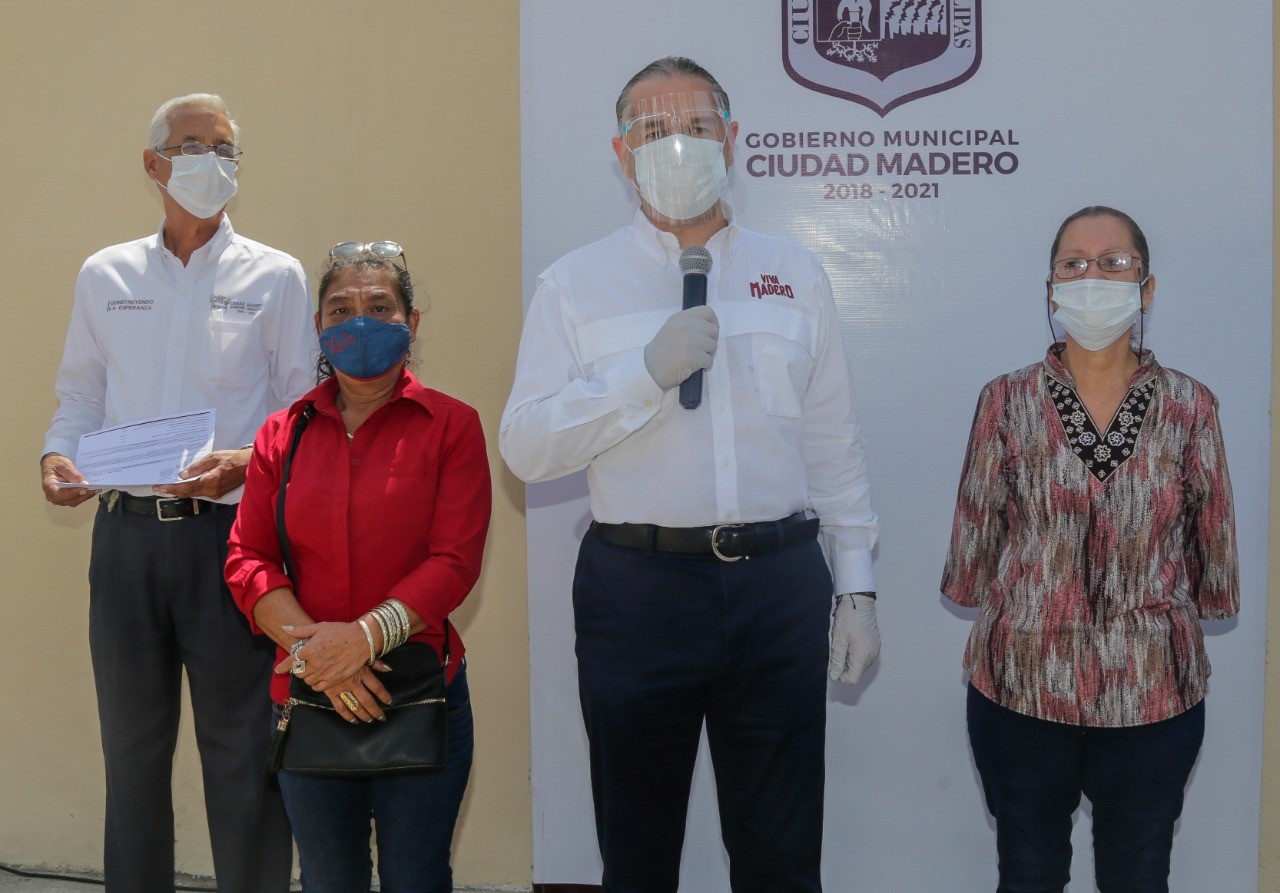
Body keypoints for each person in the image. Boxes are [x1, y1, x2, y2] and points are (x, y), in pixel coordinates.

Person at [500, 56, 880, 893]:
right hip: (638, 590)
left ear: (732, 139)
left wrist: (856, 582)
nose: (678, 144)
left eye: (698, 126)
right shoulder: (574, 285)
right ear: (621, 151)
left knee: (782, 857)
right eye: (653, 129)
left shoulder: (796, 273)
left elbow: (833, 442)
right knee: (637, 854)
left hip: (779, 585)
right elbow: (526, 447)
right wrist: (641, 374)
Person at [40, 93, 312, 892]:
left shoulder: (276, 275)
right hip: (125, 539)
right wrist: (57, 456)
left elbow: (302, 413)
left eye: (225, 148)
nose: (212, 161)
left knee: (243, 752)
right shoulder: (106, 273)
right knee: (130, 752)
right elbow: (80, 394)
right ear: (153, 163)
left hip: (229, 543)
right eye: (194, 144)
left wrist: (245, 461)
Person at [941, 206, 1239, 893]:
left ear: (1147, 287)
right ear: (1051, 290)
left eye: (1113, 263)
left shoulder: (1191, 406)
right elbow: (970, 559)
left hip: (1153, 692)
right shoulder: (1005, 401)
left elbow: (1215, 561)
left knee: (1138, 877)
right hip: (1020, 687)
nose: (1092, 277)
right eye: (1072, 264)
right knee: (1028, 874)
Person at [225, 243, 491, 893]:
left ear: (411, 321)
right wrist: (322, 654)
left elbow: (454, 561)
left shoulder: (453, 426)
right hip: (309, 693)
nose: (360, 321)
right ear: (318, 325)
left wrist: (363, 639)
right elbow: (248, 559)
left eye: (380, 306)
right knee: (327, 879)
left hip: (419, 694)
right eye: (340, 309)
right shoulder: (280, 435)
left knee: (416, 877)